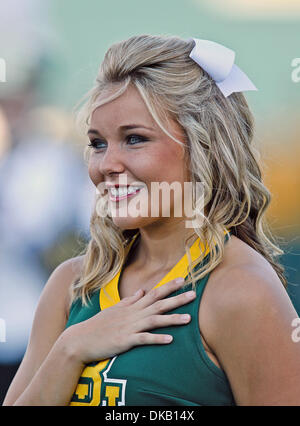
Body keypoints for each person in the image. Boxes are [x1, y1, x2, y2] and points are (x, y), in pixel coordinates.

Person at [3, 34, 300, 406]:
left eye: (134, 139)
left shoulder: (241, 290)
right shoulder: (72, 285)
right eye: (97, 143)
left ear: (203, 146)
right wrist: (71, 348)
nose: (107, 165)